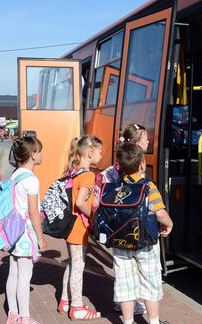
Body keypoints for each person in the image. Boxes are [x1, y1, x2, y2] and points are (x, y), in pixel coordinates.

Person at [112, 143, 173, 324]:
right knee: (151, 281)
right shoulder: (149, 187)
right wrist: (169, 224)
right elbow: (160, 213)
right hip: (145, 242)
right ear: (142, 164)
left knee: (125, 284)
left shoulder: (116, 188)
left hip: (121, 242)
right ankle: (153, 321)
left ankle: (128, 321)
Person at [97, 123, 149, 316]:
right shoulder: (132, 168)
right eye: (145, 139)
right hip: (130, 224)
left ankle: (123, 301)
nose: (148, 141)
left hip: (117, 224)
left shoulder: (116, 167)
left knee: (123, 266)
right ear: (136, 143)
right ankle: (126, 302)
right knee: (130, 267)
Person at [58, 135, 103, 320]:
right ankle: (76, 306)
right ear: (90, 152)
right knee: (78, 266)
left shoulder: (73, 171)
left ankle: (65, 300)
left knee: (72, 263)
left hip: (71, 226)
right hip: (79, 227)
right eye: (100, 153)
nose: (101, 156)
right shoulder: (87, 175)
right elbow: (80, 202)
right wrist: (94, 216)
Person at [5, 136, 47, 324]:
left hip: (12, 231)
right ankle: (25, 317)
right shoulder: (32, 180)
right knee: (25, 276)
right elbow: (33, 212)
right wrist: (40, 237)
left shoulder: (15, 174)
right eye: (40, 150)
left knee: (13, 273)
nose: (42, 154)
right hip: (25, 233)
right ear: (32, 155)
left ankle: (13, 314)